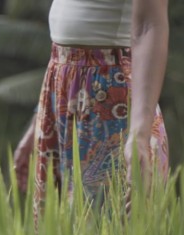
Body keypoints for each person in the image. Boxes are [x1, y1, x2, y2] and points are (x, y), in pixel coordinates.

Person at [13, 0, 170, 217]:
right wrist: (39, 122)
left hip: (111, 100)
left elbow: (148, 26)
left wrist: (139, 134)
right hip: (62, 93)